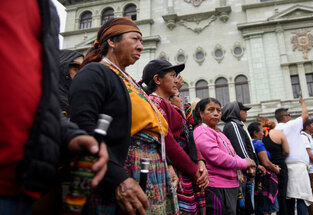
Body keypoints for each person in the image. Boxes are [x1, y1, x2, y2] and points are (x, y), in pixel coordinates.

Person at [0, 1, 108, 214]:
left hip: (23, 185)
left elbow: (38, 99)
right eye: (73, 67)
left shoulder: (44, 9)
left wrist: (68, 135)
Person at [70, 18, 180, 214]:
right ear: (112, 41)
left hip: (151, 165)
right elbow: (85, 128)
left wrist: (168, 163)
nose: (140, 46)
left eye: (142, 41)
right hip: (123, 169)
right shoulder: (94, 72)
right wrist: (117, 177)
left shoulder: (128, 80)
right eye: (135, 39)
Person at [141, 59, 208, 214]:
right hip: (177, 171)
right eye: (172, 75)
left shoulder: (170, 105)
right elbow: (168, 142)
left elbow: (188, 136)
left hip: (186, 169)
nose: (177, 79)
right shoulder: (155, 102)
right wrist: (194, 170)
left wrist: (200, 161)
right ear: (157, 80)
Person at [193, 98, 256, 215]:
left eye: (218, 110)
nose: (216, 113)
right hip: (216, 186)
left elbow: (232, 154)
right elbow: (216, 156)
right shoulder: (202, 131)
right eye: (210, 110)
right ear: (201, 113)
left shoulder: (218, 132)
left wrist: (245, 162)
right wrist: (244, 163)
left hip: (229, 185)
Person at [274, 98, 312, 215]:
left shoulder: (275, 129)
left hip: (285, 167)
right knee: (301, 198)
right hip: (297, 167)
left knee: (289, 198)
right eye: (289, 115)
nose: (290, 117)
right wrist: (303, 103)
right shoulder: (290, 125)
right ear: (285, 117)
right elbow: (305, 116)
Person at [221, 101, 260, 214]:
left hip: (244, 171)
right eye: (244, 110)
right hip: (243, 172)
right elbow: (241, 149)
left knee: (247, 205)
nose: (246, 113)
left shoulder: (237, 124)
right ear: (236, 112)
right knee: (245, 206)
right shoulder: (233, 125)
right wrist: (250, 166)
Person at [257, 117, 289, 215]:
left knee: (266, 197)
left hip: (266, 170)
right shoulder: (278, 133)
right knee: (282, 196)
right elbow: (286, 151)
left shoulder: (258, 137)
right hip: (280, 167)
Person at [248, 122, 280, 215]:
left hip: (256, 180)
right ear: (255, 133)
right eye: (262, 131)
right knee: (266, 209)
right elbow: (265, 162)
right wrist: (276, 169)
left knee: (259, 207)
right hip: (265, 180)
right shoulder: (258, 143)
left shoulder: (250, 143)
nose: (263, 134)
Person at [58, 50, 84, 118]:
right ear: (64, 68)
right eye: (76, 69)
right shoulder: (49, 97)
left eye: (83, 70)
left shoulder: (80, 96)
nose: (80, 74)